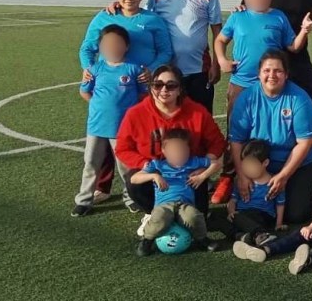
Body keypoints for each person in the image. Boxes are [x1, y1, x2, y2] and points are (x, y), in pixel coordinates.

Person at [213, 0, 312, 202]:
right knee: (237, 132)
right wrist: (221, 60)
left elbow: (293, 47)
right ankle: (230, 177)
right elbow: (220, 40)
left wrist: (304, 32)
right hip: (242, 83)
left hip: (271, 83)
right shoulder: (238, 17)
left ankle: (266, 174)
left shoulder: (278, 18)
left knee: (268, 131)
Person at [80, 0, 173, 208]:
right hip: (110, 90)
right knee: (103, 144)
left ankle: (135, 189)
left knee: (136, 141)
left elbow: (165, 51)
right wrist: (89, 71)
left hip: (141, 89)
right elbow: (87, 47)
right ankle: (99, 189)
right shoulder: (105, 17)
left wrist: (150, 72)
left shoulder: (152, 19)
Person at [115, 65, 227, 235]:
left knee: (198, 219)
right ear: (151, 87)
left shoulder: (197, 112)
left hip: (189, 174)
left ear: (180, 89)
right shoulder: (136, 114)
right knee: (134, 182)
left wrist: (202, 169)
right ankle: (152, 213)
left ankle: (183, 213)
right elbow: (123, 148)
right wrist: (145, 165)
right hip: (156, 174)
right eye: (157, 85)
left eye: (171, 85)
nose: (164, 90)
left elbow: (218, 142)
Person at [229, 51, 312, 224]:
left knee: (295, 216)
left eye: (278, 71)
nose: (272, 75)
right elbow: (236, 140)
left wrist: (283, 176)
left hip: (295, 164)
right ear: (259, 73)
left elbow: (305, 142)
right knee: (248, 206)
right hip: (259, 165)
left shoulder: (299, 98)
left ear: (286, 74)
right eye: (267, 70)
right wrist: (242, 174)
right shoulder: (247, 98)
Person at [72, 25, 145, 217]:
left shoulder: (134, 69)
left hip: (122, 129)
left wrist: (128, 114)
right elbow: (84, 91)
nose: (112, 47)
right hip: (96, 126)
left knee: (126, 166)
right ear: (101, 47)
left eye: (117, 43)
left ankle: (131, 197)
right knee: (91, 163)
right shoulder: (95, 69)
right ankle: (84, 200)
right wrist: (98, 106)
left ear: (126, 46)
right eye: (107, 44)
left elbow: (143, 95)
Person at [140, 0, 223, 113]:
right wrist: (118, 7)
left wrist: (216, 65)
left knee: (201, 121)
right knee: (170, 122)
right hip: (167, 74)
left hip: (200, 72)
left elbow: (217, 32)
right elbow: (139, 19)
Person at [131, 128, 222, 256]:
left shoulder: (192, 162)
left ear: (188, 150)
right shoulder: (157, 165)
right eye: (173, 151)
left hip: (185, 203)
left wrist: (202, 175)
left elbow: (216, 163)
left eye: (182, 150)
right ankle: (147, 241)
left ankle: (202, 240)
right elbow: (134, 179)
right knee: (160, 219)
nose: (178, 154)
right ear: (164, 151)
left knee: (194, 217)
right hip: (164, 204)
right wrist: (154, 176)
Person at [227, 139, 286, 243]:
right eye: (245, 165)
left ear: (265, 163)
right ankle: (243, 237)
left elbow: (280, 204)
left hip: (262, 215)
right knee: (216, 219)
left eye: (252, 165)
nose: (247, 169)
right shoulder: (241, 181)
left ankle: (260, 235)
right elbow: (232, 200)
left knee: (242, 218)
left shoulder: (274, 182)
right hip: (241, 214)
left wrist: (278, 224)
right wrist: (231, 212)